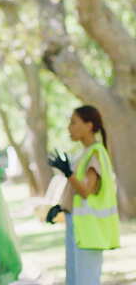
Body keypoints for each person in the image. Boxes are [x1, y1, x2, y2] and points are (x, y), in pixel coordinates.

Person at [46, 105, 120, 285]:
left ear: (89, 125)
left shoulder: (95, 153)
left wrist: (67, 173)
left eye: (73, 123)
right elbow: (76, 192)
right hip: (79, 225)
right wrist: (61, 206)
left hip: (90, 229)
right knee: (74, 280)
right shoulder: (84, 153)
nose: (69, 128)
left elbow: (86, 191)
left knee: (85, 281)